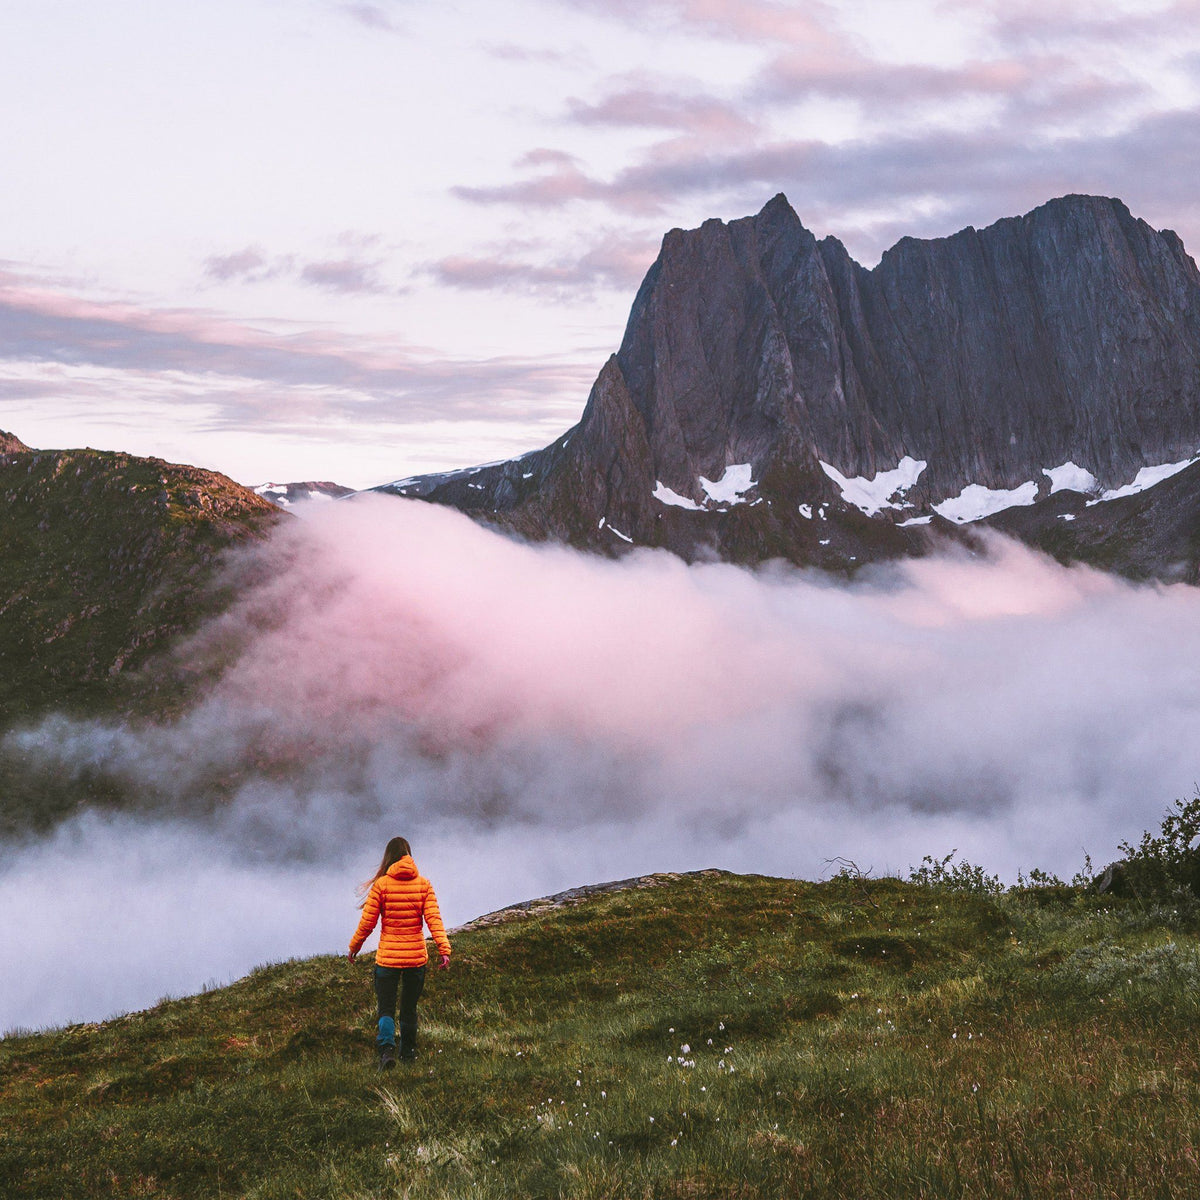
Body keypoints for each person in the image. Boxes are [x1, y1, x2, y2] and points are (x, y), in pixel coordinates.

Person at [348, 836, 451, 1069]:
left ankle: (386, 1051)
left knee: (386, 1007)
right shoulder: (424, 885)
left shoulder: (382, 886)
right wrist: (443, 949)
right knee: (409, 1008)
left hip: (387, 960)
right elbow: (434, 920)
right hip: (415, 959)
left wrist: (354, 948)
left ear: (389, 858)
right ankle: (408, 1052)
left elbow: (367, 924)